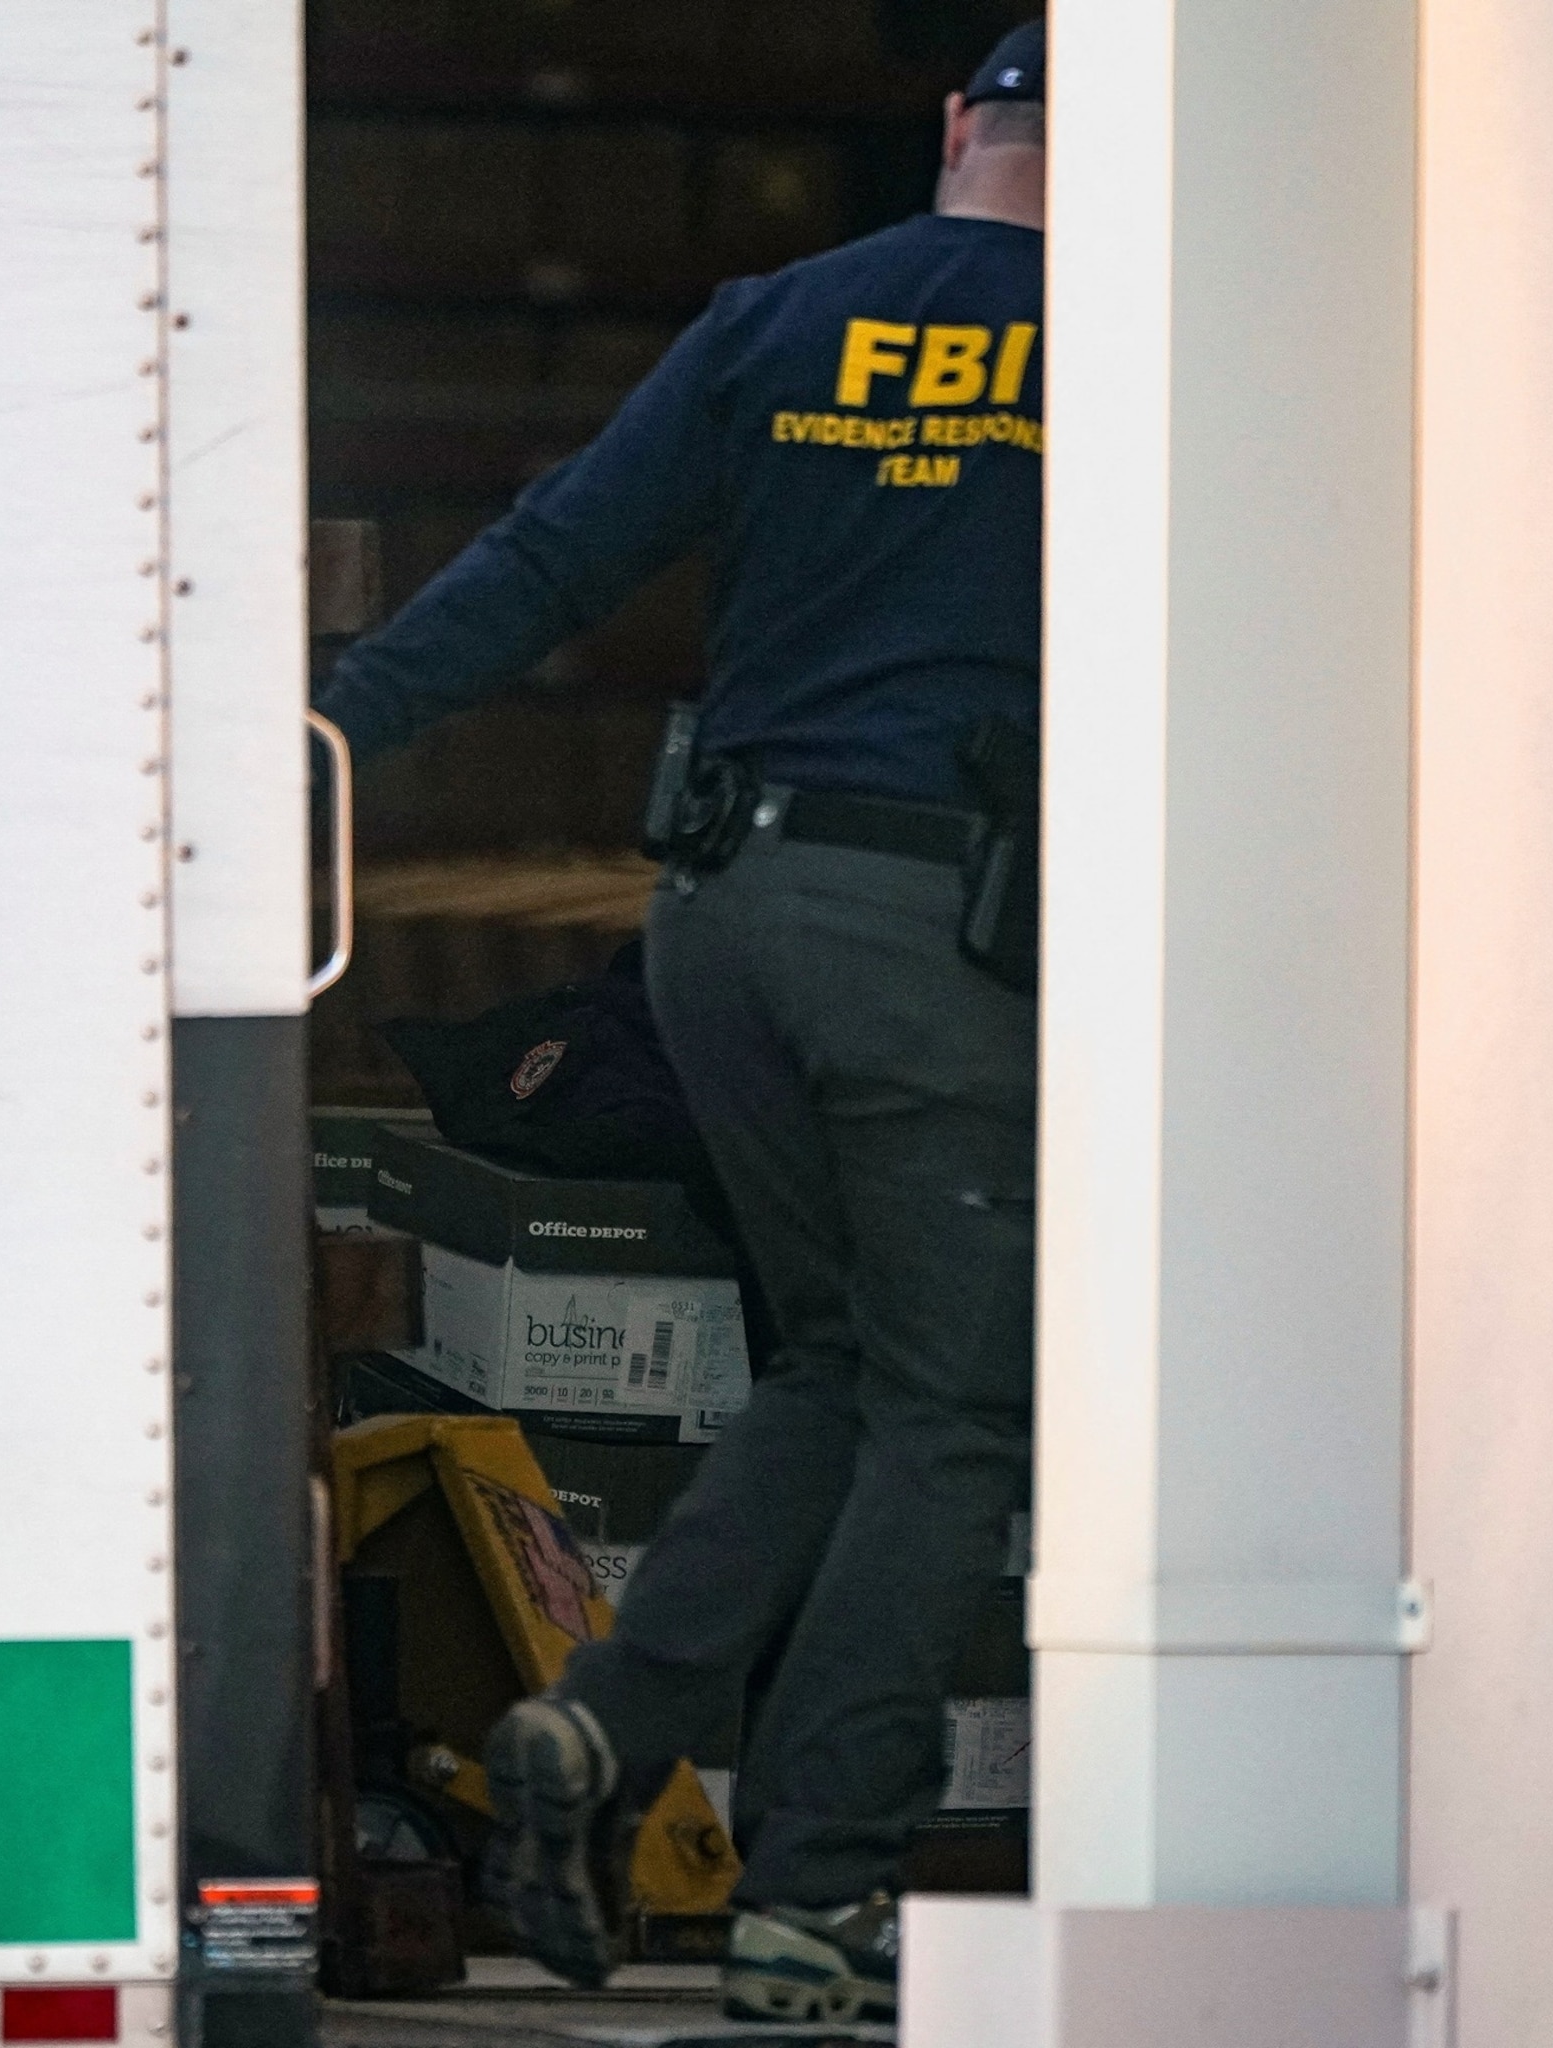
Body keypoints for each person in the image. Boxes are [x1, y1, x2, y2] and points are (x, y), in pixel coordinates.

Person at [314, 20, 1046, 2027]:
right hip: (937, 932)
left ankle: (605, 1722)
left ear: (956, 126)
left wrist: (331, 731)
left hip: (723, 913)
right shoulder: (1136, 358)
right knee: (958, 1412)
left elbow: (551, 557)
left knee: (841, 1364)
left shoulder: (781, 319)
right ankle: (817, 1892)